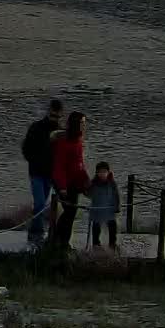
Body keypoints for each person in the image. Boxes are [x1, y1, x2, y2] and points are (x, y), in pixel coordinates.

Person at [22, 99, 67, 245]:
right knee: (40, 203)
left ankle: (45, 233)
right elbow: (26, 148)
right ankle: (36, 233)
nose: (55, 119)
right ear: (49, 112)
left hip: (50, 174)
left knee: (46, 203)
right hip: (36, 172)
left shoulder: (61, 132)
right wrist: (34, 161)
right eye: (53, 115)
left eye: (58, 116)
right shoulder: (36, 127)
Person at [49, 112, 89, 248]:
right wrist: (62, 187)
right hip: (62, 182)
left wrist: (86, 182)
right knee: (69, 212)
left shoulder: (78, 140)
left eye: (85, 123)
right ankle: (58, 241)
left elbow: (79, 164)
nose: (84, 125)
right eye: (82, 123)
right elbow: (59, 167)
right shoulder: (64, 142)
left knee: (71, 213)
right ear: (76, 124)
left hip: (73, 181)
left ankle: (63, 242)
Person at [87, 162, 119, 249]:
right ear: (96, 173)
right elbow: (88, 194)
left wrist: (117, 206)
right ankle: (96, 244)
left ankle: (112, 244)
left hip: (109, 209)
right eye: (100, 172)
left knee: (112, 227)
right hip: (97, 209)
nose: (102, 174)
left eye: (104, 172)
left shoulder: (112, 183)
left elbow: (116, 195)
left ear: (108, 172)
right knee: (96, 227)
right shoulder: (93, 183)